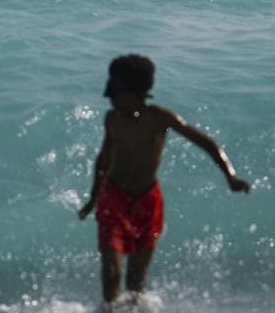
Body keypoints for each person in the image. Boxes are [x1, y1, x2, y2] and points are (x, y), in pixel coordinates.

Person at [77, 54, 250, 305]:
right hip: (113, 198)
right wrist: (93, 200)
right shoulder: (112, 119)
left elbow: (207, 143)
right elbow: (103, 161)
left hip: (148, 201)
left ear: (135, 91)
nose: (109, 96)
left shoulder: (159, 118)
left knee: (136, 281)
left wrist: (230, 176)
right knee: (111, 274)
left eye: (115, 89)